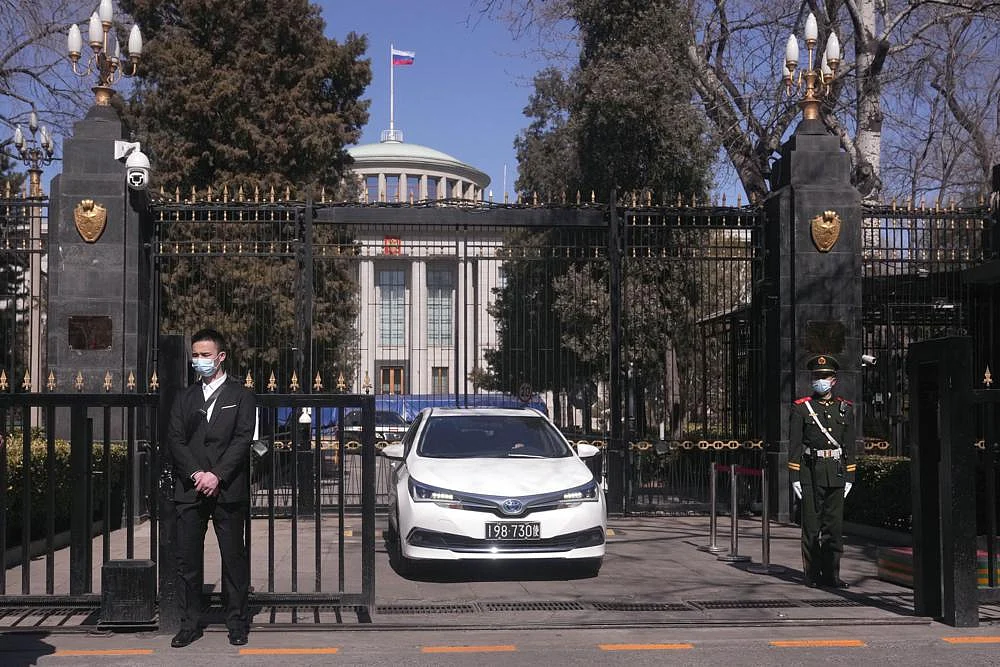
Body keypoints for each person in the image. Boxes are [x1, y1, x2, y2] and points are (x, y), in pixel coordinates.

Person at [168, 328, 256, 648]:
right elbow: (176, 440)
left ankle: (236, 622)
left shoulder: (241, 396)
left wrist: (217, 475)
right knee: (187, 561)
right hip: (190, 489)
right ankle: (190, 623)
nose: (199, 361)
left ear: (220, 357)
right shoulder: (184, 397)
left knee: (233, 559)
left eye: (205, 355)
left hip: (227, 489)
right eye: (195, 355)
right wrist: (196, 474)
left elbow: (242, 439)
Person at [787, 354, 857, 589]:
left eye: (825, 377)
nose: (820, 381)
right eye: (817, 377)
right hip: (810, 472)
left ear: (834, 380)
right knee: (811, 526)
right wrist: (795, 476)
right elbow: (795, 445)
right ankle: (812, 574)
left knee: (834, 528)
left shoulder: (844, 409)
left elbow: (849, 445)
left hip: (835, 473)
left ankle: (832, 575)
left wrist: (850, 476)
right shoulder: (802, 408)